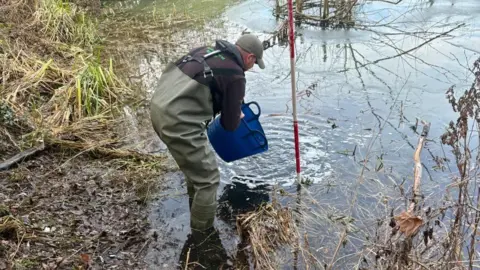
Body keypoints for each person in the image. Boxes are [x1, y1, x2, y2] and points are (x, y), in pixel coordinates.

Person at [149, 34, 265, 243]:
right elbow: (229, 125)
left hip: (158, 107)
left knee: (197, 171)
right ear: (249, 58)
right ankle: (202, 237)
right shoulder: (237, 75)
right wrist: (235, 111)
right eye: (255, 62)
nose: (253, 66)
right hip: (178, 121)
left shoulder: (205, 51)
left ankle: (197, 212)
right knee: (209, 179)